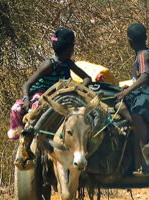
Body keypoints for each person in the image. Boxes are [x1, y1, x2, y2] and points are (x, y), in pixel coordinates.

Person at [10, 28, 91, 167]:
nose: (73, 50)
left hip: (59, 95)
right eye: (72, 47)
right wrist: (26, 98)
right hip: (42, 95)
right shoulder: (48, 64)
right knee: (31, 112)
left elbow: (87, 78)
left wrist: (80, 87)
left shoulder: (68, 63)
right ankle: (26, 146)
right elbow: (27, 84)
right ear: (67, 49)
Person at [115, 23, 149, 176]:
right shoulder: (142, 54)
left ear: (130, 42)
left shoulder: (143, 55)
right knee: (118, 104)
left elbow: (145, 76)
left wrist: (128, 90)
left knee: (136, 112)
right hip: (142, 93)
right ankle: (138, 127)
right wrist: (127, 90)